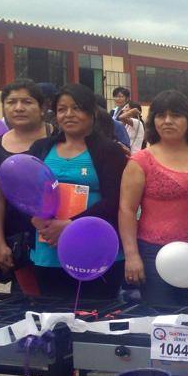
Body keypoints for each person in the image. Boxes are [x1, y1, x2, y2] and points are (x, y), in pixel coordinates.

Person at [119, 89, 188, 308]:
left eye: (175, 115)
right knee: (161, 323)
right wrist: (131, 255)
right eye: (160, 115)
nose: (167, 121)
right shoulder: (140, 161)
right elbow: (126, 210)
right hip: (153, 254)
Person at [26, 83, 126, 298]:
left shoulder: (109, 151)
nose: (68, 114)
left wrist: (70, 226)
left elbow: (115, 200)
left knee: (94, 318)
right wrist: (33, 217)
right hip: (48, 249)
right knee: (53, 319)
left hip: (95, 246)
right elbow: (28, 191)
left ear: (91, 112)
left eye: (77, 108)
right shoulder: (41, 148)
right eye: (62, 109)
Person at [0, 79, 48, 295]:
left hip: (54, 236)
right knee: (25, 303)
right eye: (11, 102)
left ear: (43, 108)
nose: (19, 107)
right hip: (16, 240)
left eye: (27, 101)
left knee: (59, 301)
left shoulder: (59, 139)